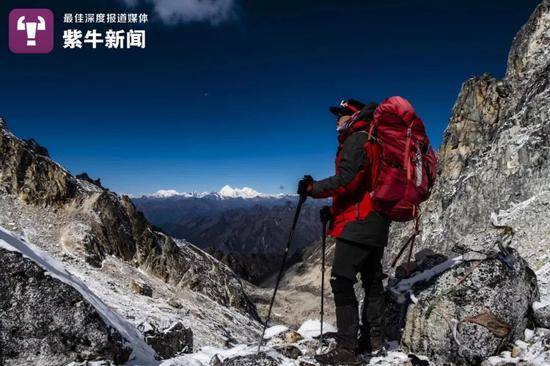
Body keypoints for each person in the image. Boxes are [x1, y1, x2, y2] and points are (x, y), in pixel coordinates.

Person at [297, 99, 391, 365]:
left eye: (340, 115)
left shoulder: (356, 139)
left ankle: (347, 347)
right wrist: (335, 212)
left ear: (353, 115)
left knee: (341, 280)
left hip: (359, 224)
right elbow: (362, 187)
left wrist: (313, 188)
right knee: (372, 280)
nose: (336, 120)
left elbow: (346, 180)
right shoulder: (375, 140)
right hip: (376, 221)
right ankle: (375, 340)